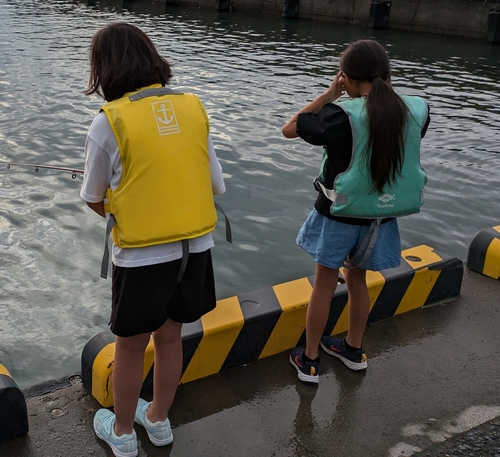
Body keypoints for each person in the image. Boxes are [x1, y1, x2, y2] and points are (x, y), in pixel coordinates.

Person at [80, 22, 226, 456]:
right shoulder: (193, 107)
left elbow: (92, 198)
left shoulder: (108, 122)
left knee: (129, 348)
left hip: (143, 256)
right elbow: (216, 184)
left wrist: (125, 206)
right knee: (169, 338)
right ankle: (158, 420)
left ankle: (123, 432)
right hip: (194, 248)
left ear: (103, 70)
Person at [282, 39, 430, 384]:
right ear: (388, 75)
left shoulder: (339, 116)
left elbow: (290, 128)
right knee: (358, 279)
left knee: (323, 284)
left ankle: (310, 358)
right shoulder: (415, 111)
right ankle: (353, 349)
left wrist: (329, 95)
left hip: (338, 214)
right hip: (382, 216)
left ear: (344, 77)